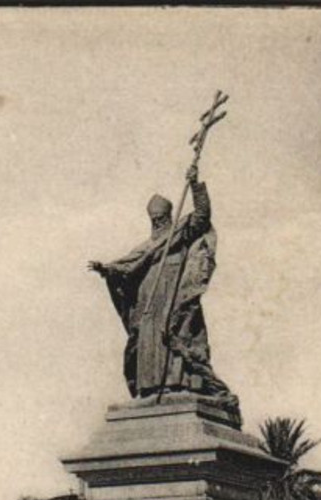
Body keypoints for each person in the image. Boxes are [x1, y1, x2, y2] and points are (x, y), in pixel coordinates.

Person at [89, 166, 235, 410]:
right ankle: (151, 387)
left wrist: (195, 185)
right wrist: (107, 269)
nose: (157, 223)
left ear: (168, 217)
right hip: (149, 297)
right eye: (154, 220)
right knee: (147, 337)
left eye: (161, 219)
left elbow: (202, 217)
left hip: (173, 294)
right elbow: (127, 267)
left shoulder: (180, 231)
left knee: (174, 333)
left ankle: (177, 385)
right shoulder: (146, 246)